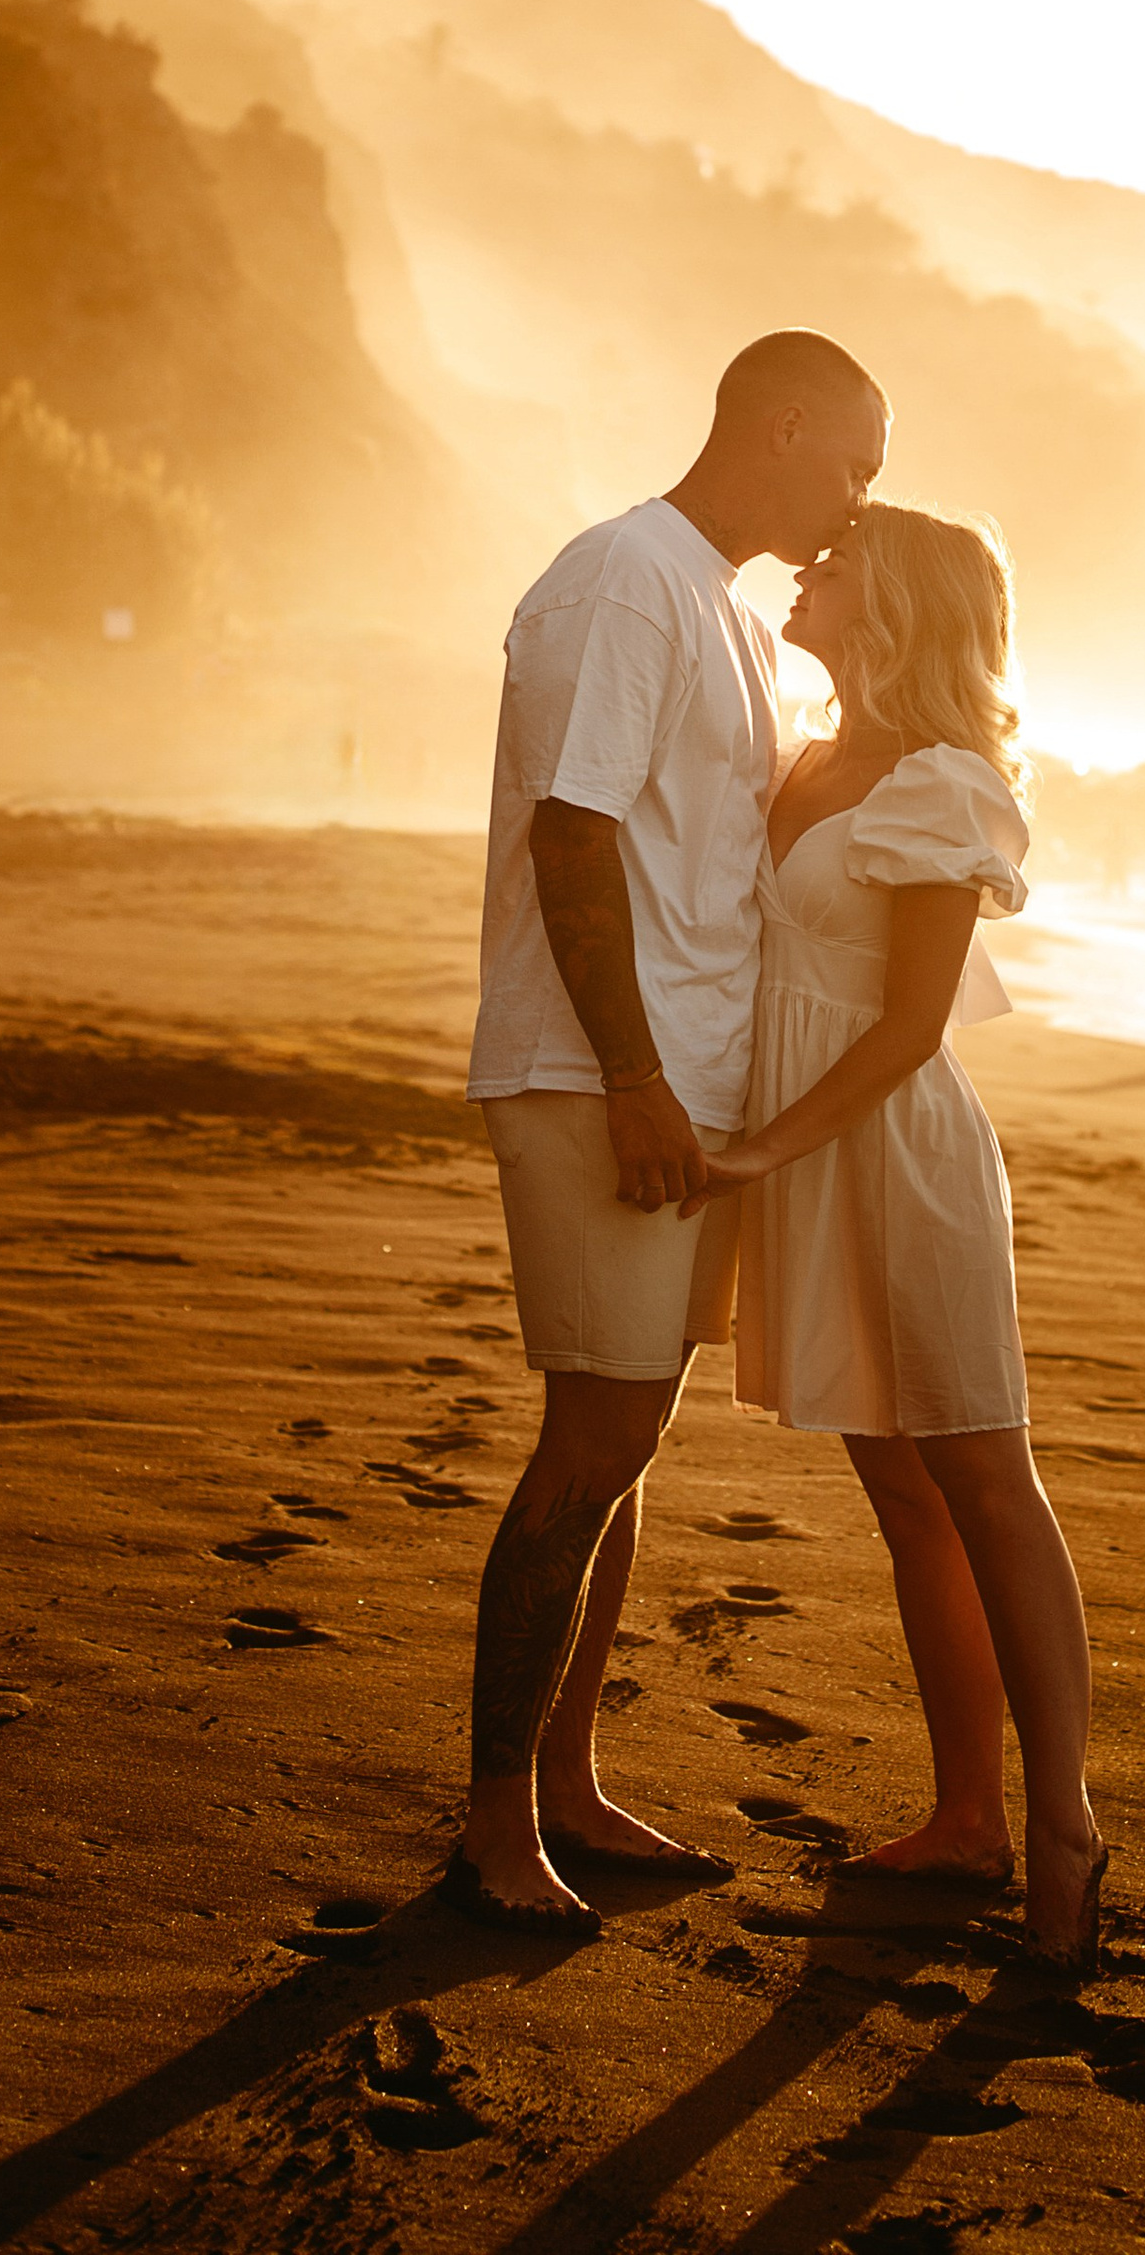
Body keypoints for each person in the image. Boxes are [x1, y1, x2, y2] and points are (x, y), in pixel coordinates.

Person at [448, 328, 893, 1932]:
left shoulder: (725, 608)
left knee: (629, 1442)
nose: (856, 502)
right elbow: (574, 839)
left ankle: (568, 1780)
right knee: (588, 1444)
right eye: (852, 463)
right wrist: (633, 1075)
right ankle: (500, 1822)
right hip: (598, 1081)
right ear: (781, 427)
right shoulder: (621, 581)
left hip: (689, 1084)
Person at [695, 502, 1107, 1971]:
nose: (809, 563)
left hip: (894, 1151)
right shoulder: (802, 757)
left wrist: (756, 1145)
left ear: (906, 599)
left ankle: (1060, 1823)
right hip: (803, 1148)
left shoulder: (941, 783)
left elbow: (910, 1027)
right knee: (904, 1496)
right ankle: (965, 1820)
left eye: (841, 552)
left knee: (986, 1480)